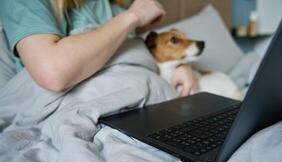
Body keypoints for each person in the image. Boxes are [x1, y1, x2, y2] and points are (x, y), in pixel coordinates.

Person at [0, 0, 198, 96]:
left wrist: (179, 64)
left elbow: (136, 56)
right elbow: (52, 72)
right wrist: (133, 16)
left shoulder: (115, 5)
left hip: (147, 109)